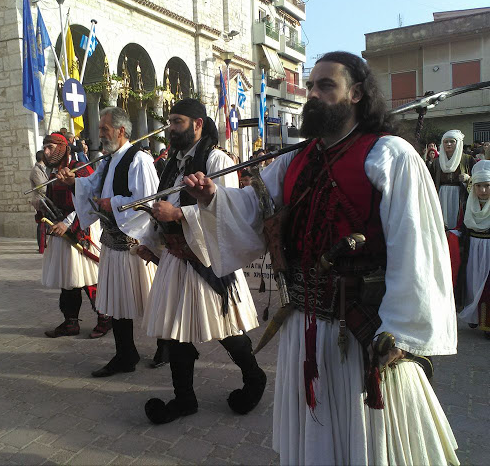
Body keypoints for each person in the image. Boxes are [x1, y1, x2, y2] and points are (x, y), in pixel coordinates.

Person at [184, 51, 458, 465]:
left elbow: (416, 246)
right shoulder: (295, 159)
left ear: (357, 94)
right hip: (302, 324)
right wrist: (212, 198)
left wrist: (400, 334)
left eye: (326, 86)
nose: (313, 94)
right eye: (311, 86)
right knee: (315, 438)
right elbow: (255, 212)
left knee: (365, 440)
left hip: (362, 330)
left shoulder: (391, 155)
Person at [136, 98, 264, 424]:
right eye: (169, 121)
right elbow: (162, 206)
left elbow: (228, 211)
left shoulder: (217, 159)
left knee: (226, 328)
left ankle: (254, 378)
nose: (170, 129)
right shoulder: (172, 163)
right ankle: (184, 399)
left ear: (197, 124)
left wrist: (179, 213)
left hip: (209, 261)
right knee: (177, 332)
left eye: (176, 122)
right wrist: (151, 238)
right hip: (178, 258)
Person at [58, 107, 158, 377]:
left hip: (136, 246)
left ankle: (167, 347)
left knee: (154, 302)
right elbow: (90, 185)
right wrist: (72, 182)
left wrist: (111, 203)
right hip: (112, 244)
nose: (99, 134)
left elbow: (148, 201)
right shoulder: (108, 160)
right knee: (117, 304)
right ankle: (126, 354)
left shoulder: (139, 160)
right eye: (100, 129)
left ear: (120, 131)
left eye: (104, 129)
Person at [39, 133, 111, 339]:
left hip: (80, 229)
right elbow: (53, 201)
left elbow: (90, 200)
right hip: (61, 232)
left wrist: (68, 223)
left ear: (63, 147)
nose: (46, 152)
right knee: (68, 278)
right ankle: (71, 322)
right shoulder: (52, 172)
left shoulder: (80, 167)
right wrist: (43, 210)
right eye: (45, 147)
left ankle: (105, 318)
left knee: (89, 278)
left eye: (51, 147)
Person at [455, 160, 490, 339]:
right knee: (473, 284)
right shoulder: (468, 205)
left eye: (487, 186)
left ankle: (487, 324)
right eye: (478, 186)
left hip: (489, 252)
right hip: (472, 251)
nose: (482, 191)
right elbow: (461, 227)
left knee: (487, 288)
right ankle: (474, 316)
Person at [430, 130, 475, 230]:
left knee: (457, 220)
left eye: (452, 141)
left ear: (458, 143)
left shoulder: (467, 159)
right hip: (441, 195)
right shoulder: (437, 162)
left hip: (460, 195)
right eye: (445, 142)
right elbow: (430, 181)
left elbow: (479, 179)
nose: (448, 144)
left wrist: (468, 178)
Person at [30, 150, 48, 253]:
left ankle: (44, 243)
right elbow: (42, 187)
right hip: (40, 199)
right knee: (42, 222)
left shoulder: (42, 169)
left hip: (44, 199)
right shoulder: (36, 170)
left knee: (44, 222)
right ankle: (41, 245)